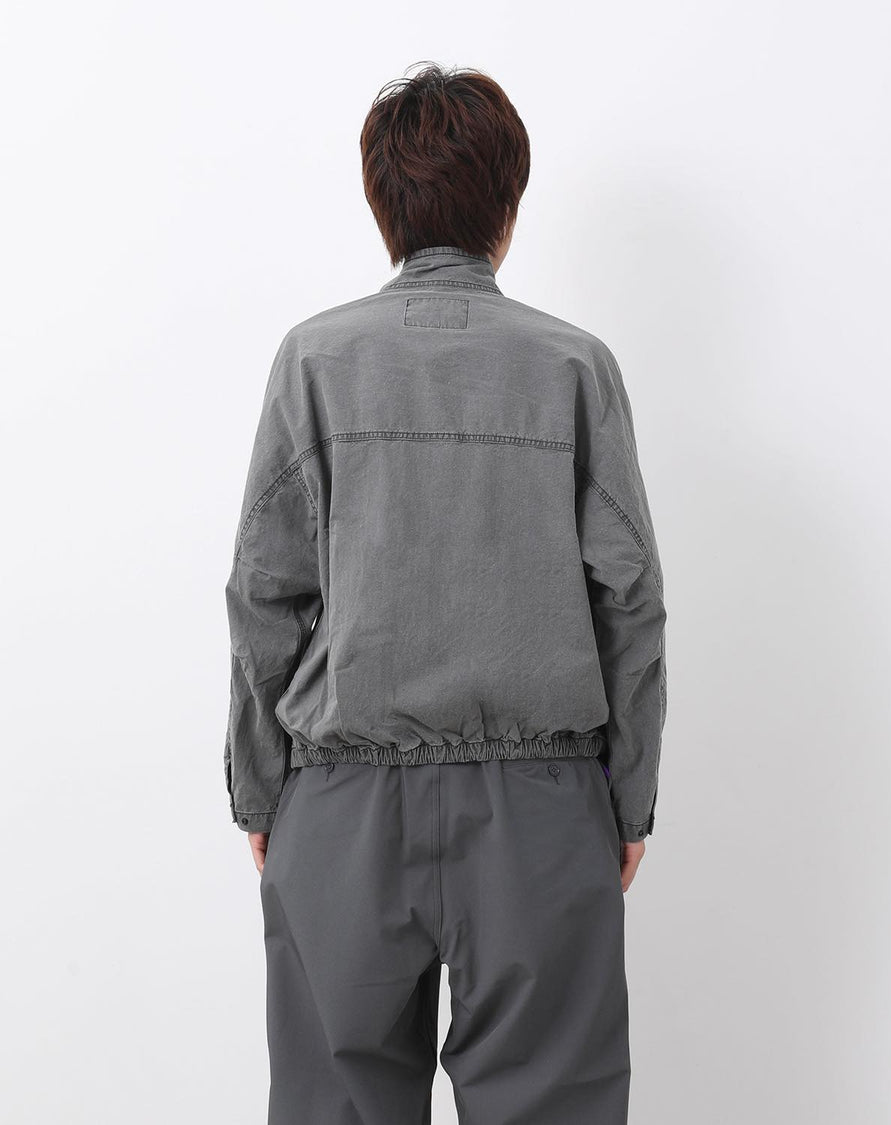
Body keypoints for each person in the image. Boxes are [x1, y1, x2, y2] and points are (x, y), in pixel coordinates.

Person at [223, 61, 667, 1125]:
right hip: (541, 809)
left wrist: (261, 789)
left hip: (341, 806)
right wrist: (627, 797)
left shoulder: (313, 361)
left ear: (383, 205)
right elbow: (631, 600)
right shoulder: (575, 367)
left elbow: (264, 594)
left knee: (335, 1108)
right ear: (507, 208)